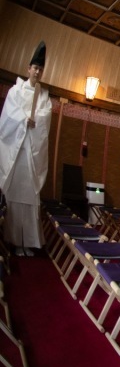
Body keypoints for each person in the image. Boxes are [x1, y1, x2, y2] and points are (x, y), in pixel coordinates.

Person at [0, 41, 51, 256]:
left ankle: (29, 242)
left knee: (29, 200)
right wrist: (23, 120)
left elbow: (44, 116)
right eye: (35, 68)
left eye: (40, 69)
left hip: (31, 153)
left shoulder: (44, 95)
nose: (37, 72)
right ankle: (13, 240)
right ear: (28, 68)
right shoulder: (15, 91)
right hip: (16, 153)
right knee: (13, 199)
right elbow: (8, 116)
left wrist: (35, 120)